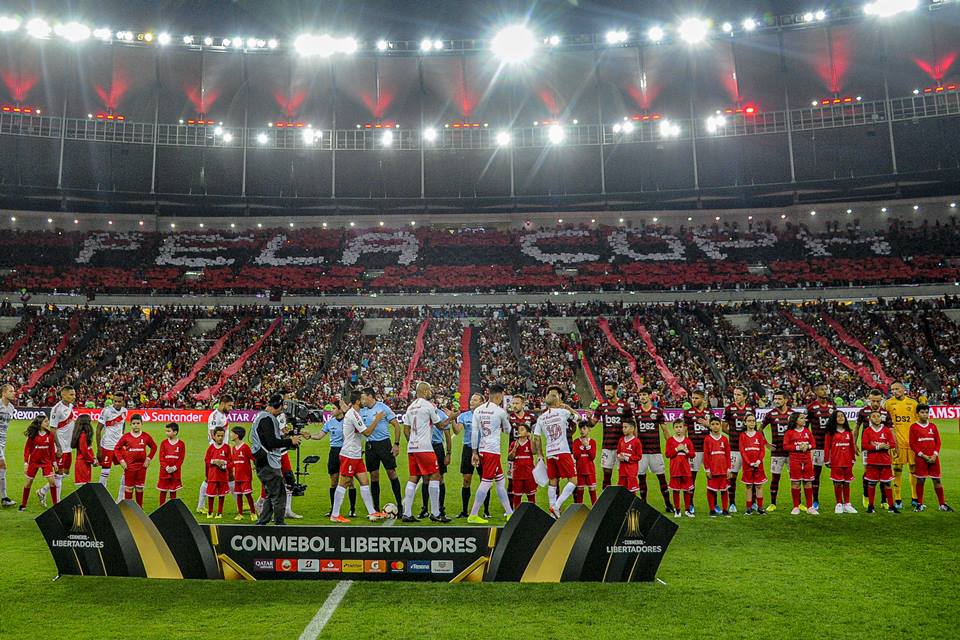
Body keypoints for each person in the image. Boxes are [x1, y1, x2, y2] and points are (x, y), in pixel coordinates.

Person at [328, 391, 386, 523]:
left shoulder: (353, 413)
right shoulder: (353, 415)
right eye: (363, 399)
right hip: (349, 454)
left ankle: (372, 512)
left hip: (356, 455)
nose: (365, 401)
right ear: (358, 401)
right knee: (344, 483)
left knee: (365, 482)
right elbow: (366, 432)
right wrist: (377, 420)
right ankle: (335, 514)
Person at [401, 382, 452, 523]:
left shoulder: (410, 407)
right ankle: (435, 513)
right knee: (435, 475)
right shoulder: (428, 406)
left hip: (412, 448)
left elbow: (406, 429)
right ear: (424, 391)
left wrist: (412, 441)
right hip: (425, 447)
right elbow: (440, 425)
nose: (431, 392)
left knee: (414, 477)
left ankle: (407, 513)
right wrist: (452, 417)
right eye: (429, 390)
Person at [251, 393, 302, 526]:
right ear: (276, 406)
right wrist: (290, 441)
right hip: (268, 461)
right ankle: (280, 523)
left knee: (271, 494)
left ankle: (262, 522)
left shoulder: (262, 417)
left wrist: (289, 436)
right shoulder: (267, 419)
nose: (282, 411)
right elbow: (272, 442)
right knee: (279, 494)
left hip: (263, 460)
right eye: (281, 407)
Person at [468, 384, 514, 524]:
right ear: (499, 396)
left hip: (482, 448)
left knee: (500, 481)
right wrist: (505, 419)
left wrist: (474, 452)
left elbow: (475, 432)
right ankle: (473, 514)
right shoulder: (500, 412)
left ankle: (509, 513)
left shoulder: (478, 410)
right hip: (492, 450)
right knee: (486, 482)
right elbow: (507, 430)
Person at [533, 385, 580, 518]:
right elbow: (579, 418)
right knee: (574, 480)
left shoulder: (541, 418)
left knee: (553, 481)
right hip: (563, 451)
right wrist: (568, 408)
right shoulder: (562, 412)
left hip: (550, 452)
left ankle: (552, 513)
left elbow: (536, 437)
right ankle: (556, 506)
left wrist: (540, 454)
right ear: (557, 402)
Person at [359, 388, 405, 513]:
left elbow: (396, 425)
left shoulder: (382, 408)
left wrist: (396, 444)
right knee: (374, 476)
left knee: (391, 473)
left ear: (370, 396)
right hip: (370, 446)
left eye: (363, 397)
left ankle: (400, 506)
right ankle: (376, 508)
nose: (362, 400)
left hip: (384, 444)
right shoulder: (361, 410)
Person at [307, 405, 357, 517]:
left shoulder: (348, 421)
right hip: (334, 452)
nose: (331, 411)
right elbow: (320, 435)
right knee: (333, 481)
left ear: (340, 410)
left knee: (349, 481)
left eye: (334, 408)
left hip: (346, 452)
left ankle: (352, 509)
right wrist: (310, 436)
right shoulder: (330, 423)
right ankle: (333, 509)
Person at [633, 386, 671, 512]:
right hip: (642, 452)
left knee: (661, 477)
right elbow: (635, 432)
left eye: (644, 395)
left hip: (655, 451)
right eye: (640, 395)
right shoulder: (636, 412)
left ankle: (668, 503)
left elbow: (665, 430)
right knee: (641, 477)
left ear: (650, 396)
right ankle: (643, 503)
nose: (642, 397)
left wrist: (671, 445)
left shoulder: (658, 412)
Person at [592, 380, 634, 491]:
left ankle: (623, 497)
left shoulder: (625, 406)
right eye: (605, 390)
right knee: (607, 473)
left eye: (609, 390)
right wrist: (588, 418)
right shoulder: (602, 406)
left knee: (623, 474)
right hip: (607, 445)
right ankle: (605, 499)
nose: (607, 392)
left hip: (622, 446)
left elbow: (632, 426)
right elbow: (592, 423)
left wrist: (634, 442)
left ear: (615, 390)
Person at [909, 404, 952, 512]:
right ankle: (919, 504)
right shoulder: (913, 427)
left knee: (937, 480)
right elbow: (912, 444)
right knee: (921, 480)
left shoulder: (933, 426)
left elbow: (938, 442)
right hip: (921, 459)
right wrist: (922, 455)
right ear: (917, 414)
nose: (925, 414)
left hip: (933, 458)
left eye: (927, 412)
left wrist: (935, 455)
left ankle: (942, 504)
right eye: (922, 412)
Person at [453, 393, 489, 519]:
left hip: (483, 450)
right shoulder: (464, 416)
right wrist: (452, 418)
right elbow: (457, 431)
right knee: (466, 479)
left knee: (484, 480)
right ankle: (464, 511)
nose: (471, 401)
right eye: (471, 399)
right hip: (468, 449)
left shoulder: (486, 416)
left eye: (475, 400)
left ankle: (486, 511)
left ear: (481, 403)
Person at [855, 390, 893, 508]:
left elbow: (890, 431)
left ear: (881, 400)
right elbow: (857, 428)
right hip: (868, 449)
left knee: (884, 473)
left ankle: (883, 500)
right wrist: (854, 443)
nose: (875, 403)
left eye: (878, 401)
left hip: (883, 448)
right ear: (869, 400)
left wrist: (894, 445)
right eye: (873, 401)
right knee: (868, 472)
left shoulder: (885, 413)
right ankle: (866, 496)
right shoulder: (863, 412)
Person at [884, 382, 919, 510]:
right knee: (897, 470)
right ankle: (898, 499)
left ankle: (915, 498)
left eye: (897, 389)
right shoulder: (888, 404)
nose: (894, 391)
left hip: (912, 443)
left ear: (904, 389)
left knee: (914, 470)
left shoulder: (913, 403)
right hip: (897, 443)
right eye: (892, 389)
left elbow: (919, 423)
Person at [39, 386, 76, 506]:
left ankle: (42, 491)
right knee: (59, 474)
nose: (74, 397)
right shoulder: (56, 409)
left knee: (65, 472)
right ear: (63, 395)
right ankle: (58, 503)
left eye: (74, 394)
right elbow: (52, 430)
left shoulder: (70, 406)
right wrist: (58, 447)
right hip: (60, 446)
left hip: (68, 445)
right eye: (71, 395)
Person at [197, 395, 233, 514]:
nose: (231, 408)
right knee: (209, 478)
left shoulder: (223, 415)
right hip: (216, 450)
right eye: (230, 405)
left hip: (224, 449)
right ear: (223, 403)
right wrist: (217, 452)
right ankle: (200, 505)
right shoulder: (215, 416)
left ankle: (240, 503)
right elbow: (213, 434)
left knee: (230, 475)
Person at [418, 395, 452, 519]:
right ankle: (425, 508)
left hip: (437, 448)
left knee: (440, 478)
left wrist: (448, 453)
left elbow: (448, 435)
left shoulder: (441, 415)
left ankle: (440, 508)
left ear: (435, 403)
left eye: (431, 401)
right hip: (425, 447)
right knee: (425, 478)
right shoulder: (422, 413)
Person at [115, 414, 157, 508]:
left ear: (142, 424)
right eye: (134, 423)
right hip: (129, 467)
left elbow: (154, 447)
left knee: (139, 488)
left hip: (142, 467)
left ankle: (139, 508)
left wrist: (148, 458)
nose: (136, 425)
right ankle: (128, 509)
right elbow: (117, 448)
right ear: (131, 424)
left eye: (138, 423)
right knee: (129, 488)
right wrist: (121, 461)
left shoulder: (146, 436)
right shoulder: (126, 437)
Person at [861, 409, 899, 514]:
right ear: (869, 418)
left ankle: (891, 506)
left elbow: (892, 444)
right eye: (874, 416)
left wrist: (882, 445)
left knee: (887, 484)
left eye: (878, 416)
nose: (877, 418)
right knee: (872, 484)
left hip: (885, 461)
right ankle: (871, 506)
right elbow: (865, 445)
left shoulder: (886, 430)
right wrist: (879, 447)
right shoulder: (867, 431)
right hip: (872, 461)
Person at [20, 415, 60, 511]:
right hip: (34, 462)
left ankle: (55, 505)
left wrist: (54, 462)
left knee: (52, 482)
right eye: (46, 421)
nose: (48, 423)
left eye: (48, 421)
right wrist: (26, 463)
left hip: (46, 462)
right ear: (40, 424)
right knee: (28, 483)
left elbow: (51, 450)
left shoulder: (50, 435)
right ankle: (23, 505)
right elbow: (27, 450)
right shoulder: (33, 435)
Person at [806, 383, 835, 511]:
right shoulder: (811, 407)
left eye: (826, 388)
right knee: (816, 474)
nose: (825, 391)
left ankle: (840, 501)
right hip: (817, 446)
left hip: (832, 446)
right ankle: (815, 500)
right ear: (816, 391)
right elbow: (805, 428)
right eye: (822, 389)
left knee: (837, 473)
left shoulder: (832, 406)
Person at [761, 390, 793, 512]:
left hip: (791, 453)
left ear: (786, 400)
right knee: (775, 478)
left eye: (779, 399)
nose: (776, 401)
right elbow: (760, 429)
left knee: (795, 479)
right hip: (777, 452)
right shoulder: (770, 414)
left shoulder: (793, 414)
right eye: (775, 399)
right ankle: (773, 503)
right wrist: (766, 443)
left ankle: (798, 503)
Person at [723, 386, 752, 513]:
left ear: (745, 396)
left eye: (739, 394)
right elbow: (724, 427)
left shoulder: (751, 409)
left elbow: (752, 426)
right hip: (734, 447)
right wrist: (734, 434)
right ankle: (732, 503)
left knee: (751, 475)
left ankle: (753, 503)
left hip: (749, 448)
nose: (736, 397)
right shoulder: (729, 409)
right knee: (732, 476)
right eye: (735, 394)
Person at [682, 389, 710, 512]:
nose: (694, 400)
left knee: (712, 477)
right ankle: (690, 504)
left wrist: (708, 424)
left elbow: (716, 430)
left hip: (708, 450)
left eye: (696, 398)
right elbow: (684, 431)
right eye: (692, 398)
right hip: (694, 450)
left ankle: (713, 504)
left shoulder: (709, 412)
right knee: (692, 477)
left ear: (703, 399)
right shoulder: (688, 413)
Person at [784, 412, 818, 515]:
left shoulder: (807, 431)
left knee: (808, 482)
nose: (804, 420)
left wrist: (808, 447)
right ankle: (796, 507)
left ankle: (810, 507)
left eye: (804, 418)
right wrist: (798, 447)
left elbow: (813, 444)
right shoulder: (789, 433)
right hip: (795, 460)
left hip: (807, 459)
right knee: (795, 483)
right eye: (802, 418)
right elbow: (785, 446)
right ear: (796, 420)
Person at [96, 393, 128, 501]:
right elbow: (98, 430)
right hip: (107, 446)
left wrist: (122, 436)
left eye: (119, 401)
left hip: (119, 446)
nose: (117, 403)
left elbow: (123, 424)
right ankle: (101, 497)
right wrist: (99, 449)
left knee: (127, 468)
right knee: (105, 472)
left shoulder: (125, 411)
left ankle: (120, 498)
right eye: (115, 401)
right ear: (113, 401)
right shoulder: (106, 411)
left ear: (123, 402)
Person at [825, 410, 857, 514]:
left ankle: (847, 504)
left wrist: (853, 458)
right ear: (834, 419)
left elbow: (852, 446)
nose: (840, 418)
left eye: (842, 416)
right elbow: (827, 447)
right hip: (836, 461)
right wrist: (827, 460)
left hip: (847, 461)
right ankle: (839, 504)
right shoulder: (830, 433)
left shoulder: (848, 432)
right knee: (838, 483)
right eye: (838, 416)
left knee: (846, 483)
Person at [507, 394, 535, 504]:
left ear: (523, 404)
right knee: (511, 480)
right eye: (513, 403)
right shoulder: (509, 418)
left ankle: (531, 505)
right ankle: (510, 508)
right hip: (512, 452)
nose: (514, 405)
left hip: (527, 453)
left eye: (517, 403)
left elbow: (535, 436)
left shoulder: (531, 418)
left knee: (529, 480)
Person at [738, 414, 769, 515]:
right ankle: (748, 508)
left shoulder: (759, 435)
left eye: (753, 421)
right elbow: (742, 451)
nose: (752, 423)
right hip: (748, 466)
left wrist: (759, 461)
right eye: (749, 421)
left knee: (759, 486)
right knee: (749, 486)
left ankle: (760, 507)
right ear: (745, 422)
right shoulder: (742, 435)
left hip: (758, 464)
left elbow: (762, 450)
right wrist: (749, 462)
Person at [664, 419, 695, 518]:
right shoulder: (670, 440)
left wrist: (686, 450)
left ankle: (687, 510)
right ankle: (677, 510)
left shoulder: (687, 441)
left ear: (684, 428)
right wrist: (677, 449)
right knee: (676, 490)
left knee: (686, 490)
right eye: (676, 427)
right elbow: (667, 454)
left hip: (686, 470)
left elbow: (692, 455)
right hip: (675, 470)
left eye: (680, 427)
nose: (678, 429)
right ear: (673, 428)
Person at [703, 417, 732, 517]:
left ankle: (725, 509)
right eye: (713, 424)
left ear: (720, 425)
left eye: (717, 424)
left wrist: (729, 469)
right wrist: (707, 469)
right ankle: (712, 510)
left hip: (723, 469)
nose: (715, 426)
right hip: (713, 470)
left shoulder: (724, 439)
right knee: (711, 489)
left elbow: (728, 455)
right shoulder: (707, 439)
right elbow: (706, 456)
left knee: (724, 490)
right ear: (710, 426)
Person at [230, 426, 257, 521]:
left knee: (248, 495)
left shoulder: (245, 447)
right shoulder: (233, 448)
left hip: (246, 476)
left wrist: (255, 466)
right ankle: (240, 513)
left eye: (232, 433)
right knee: (238, 495)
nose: (230, 435)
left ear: (236, 435)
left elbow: (253, 458)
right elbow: (234, 461)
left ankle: (253, 513)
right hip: (237, 476)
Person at [508, 422, 537, 509]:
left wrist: (531, 438)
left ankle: (531, 514)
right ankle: (516, 514)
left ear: (527, 432)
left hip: (529, 474)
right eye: (518, 429)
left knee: (531, 496)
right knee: (517, 496)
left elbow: (534, 451)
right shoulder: (514, 443)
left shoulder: (530, 443)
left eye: (522, 429)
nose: (519, 431)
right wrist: (514, 449)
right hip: (517, 474)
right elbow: (510, 457)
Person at [204, 426, 230, 518]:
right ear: (214, 436)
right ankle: (210, 512)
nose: (220, 438)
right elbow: (207, 460)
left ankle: (219, 512)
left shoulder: (227, 448)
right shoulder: (211, 448)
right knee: (210, 494)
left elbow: (230, 461)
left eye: (222, 436)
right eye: (218, 436)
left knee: (221, 495)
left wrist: (224, 463)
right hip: (212, 476)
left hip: (222, 476)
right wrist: (214, 461)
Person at [157, 422, 185, 507]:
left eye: (168, 431)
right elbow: (161, 457)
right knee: (163, 490)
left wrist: (175, 467)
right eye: (166, 431)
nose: (166, 433)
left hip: (175, 472)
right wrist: (166, 467)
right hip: (164, 471)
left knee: (173, 490)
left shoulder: (181, 444)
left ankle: (173, 508)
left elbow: (181, 458)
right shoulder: (164, 443)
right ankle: (161, 508)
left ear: (175, 432)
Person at [0, 383, 17, 508]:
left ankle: (4, 498)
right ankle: (4, 498)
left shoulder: (11, 408)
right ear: (4, 393)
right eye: (11, 391)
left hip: (3, 442)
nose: (14, 393)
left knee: (2, 470)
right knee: (3, 466)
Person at [573, 423, 597, 504]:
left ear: (589, 429)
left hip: (590, 471)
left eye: (584, 428)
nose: (581, 431)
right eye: (580, 429)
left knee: (592, 489)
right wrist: (582, 447)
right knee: (579, 489)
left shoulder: (592, 442)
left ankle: (595, 509)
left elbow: (592, 456)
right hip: (580, 471)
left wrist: (587, 446)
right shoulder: (576, 442)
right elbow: (576, 456)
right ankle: (579, 509)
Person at [616, 421, 642, 495]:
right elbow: (618, 452)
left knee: (632, 491)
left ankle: (631, 506)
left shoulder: (636, 441)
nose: (623, 429)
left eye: (625, 427)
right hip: (622, 470)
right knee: (621, 491)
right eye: (623, 427)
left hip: (631, 471)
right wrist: (619, 456)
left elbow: (639, 456)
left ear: (632, 429)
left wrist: (627, 458)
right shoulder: (621, 440)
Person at [72, 415, 96, 487]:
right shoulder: (83, 436)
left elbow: (89, 449)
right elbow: (84, 451)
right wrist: (93, 461)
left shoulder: (84, 435)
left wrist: (93, 458)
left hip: (85, 462)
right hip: (82, 463)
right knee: (84, 487)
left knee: (86, 486)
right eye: (89, 422)